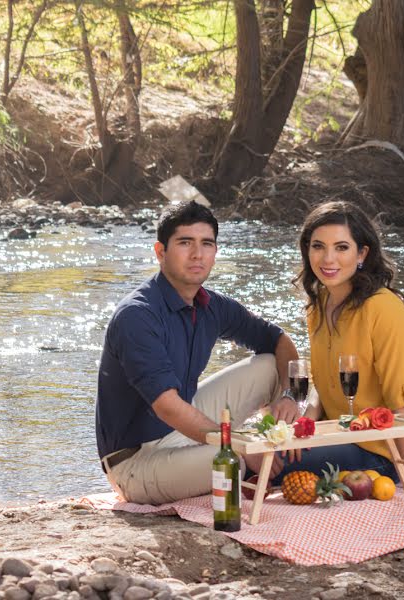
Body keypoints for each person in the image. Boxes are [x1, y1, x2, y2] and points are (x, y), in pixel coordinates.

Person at [95, 201, 300, 505]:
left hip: (180, 433)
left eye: (206, 243)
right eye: (185, 243)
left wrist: (290, 396)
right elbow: (167, 407)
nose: (197, 254)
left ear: (215, 251)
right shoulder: (137, 316)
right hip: (135, 462)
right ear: (160, 251)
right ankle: (258, 463)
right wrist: (239, 446)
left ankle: (280, 452)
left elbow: (279, 340)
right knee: (232, 463)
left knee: (273, 366)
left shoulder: (210, 305)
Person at [271, 200, 404, 488]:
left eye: (341, 247)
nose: (328, 259)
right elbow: (321, 384)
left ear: (362, 253)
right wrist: (303, 426)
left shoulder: (384, 308)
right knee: (264, 448)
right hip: (334, 433)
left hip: (377, 452)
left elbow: (401, 398)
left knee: (265, 461)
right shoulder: (318, 304)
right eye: (318, 246)